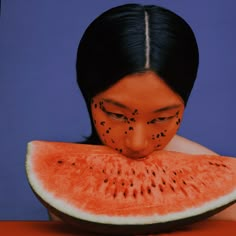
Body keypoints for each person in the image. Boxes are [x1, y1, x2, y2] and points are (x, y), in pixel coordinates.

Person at [50, 3, 235, 222]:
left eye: (161, 118)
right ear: (88, 96)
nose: (137, 144)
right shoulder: (67, 182)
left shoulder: (224, 194)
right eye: (117, 115)